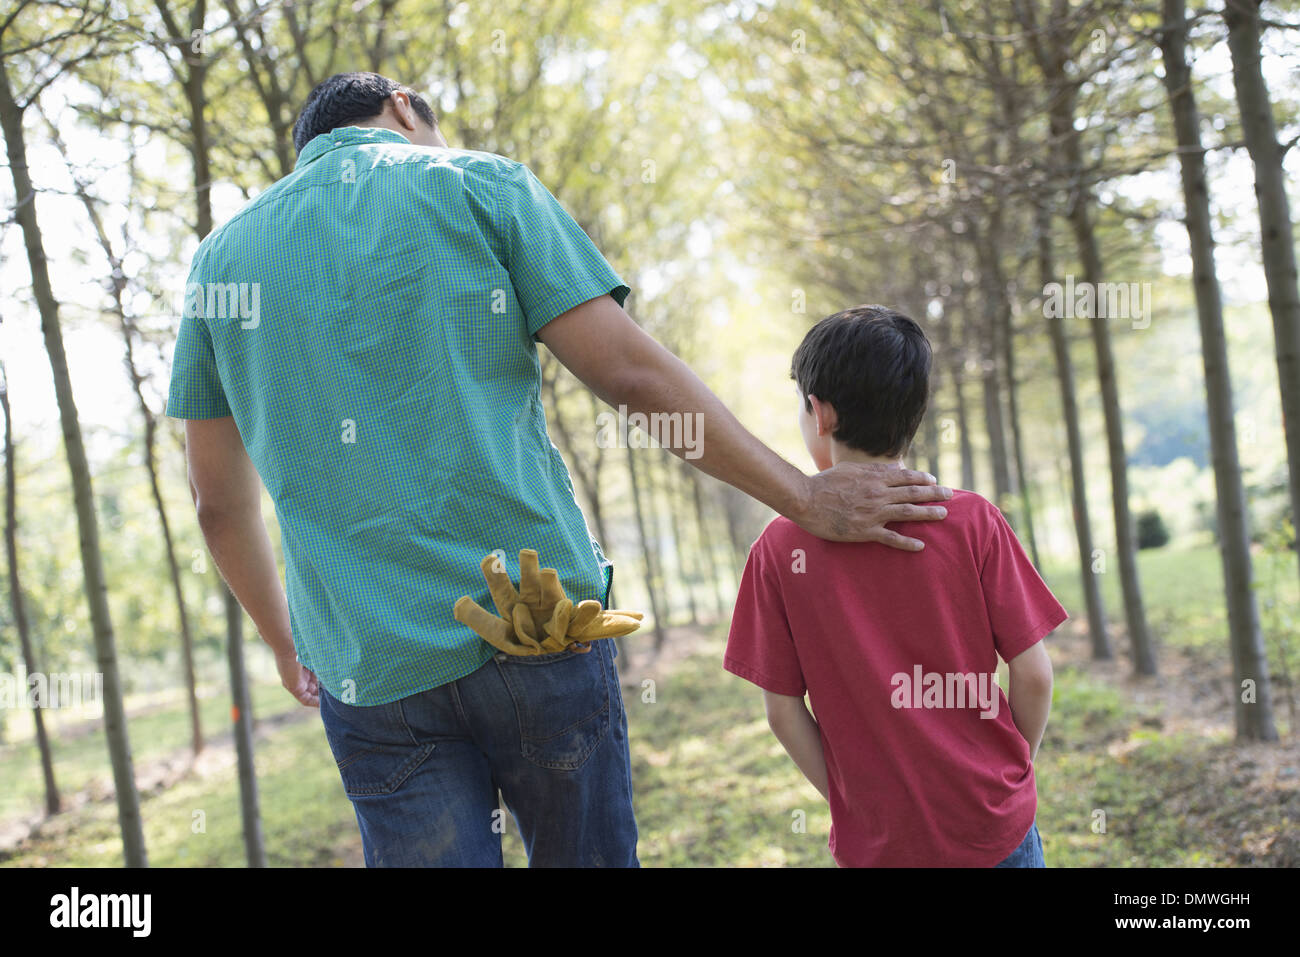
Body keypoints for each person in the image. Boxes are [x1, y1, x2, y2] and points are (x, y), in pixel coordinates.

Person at [166, 72, 952, 867]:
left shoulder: (219, 265)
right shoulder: (480, 185)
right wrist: (802, 495)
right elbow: (632, 378)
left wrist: (286, 643)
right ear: (404, 105)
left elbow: (218, 505)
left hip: (372, 669)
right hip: (537, 627)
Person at [723, 305, 1062, 867]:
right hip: (995, 830)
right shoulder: (974, 521)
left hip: (881, 847)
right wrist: (1007, 778)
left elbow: (783, 713)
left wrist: (854, 806)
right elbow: (1034, 674)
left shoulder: (779, 550)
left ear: (819, 412)